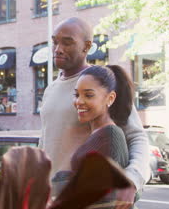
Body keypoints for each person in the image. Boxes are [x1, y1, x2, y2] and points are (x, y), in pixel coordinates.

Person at [39, 17, 150, 209]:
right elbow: (46, 141)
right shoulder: (51, 89)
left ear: (87, 46)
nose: (58, 48)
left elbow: (137, 137)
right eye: (55, 41)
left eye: (67, 42)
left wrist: (133, 180)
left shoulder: (104, 85)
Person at [52, 65, 134, 208]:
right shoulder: (96, 134)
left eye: (88, 95)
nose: (79, 101)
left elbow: (113, 197)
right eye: (77, 94)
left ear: (110, 98)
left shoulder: (111, 135)